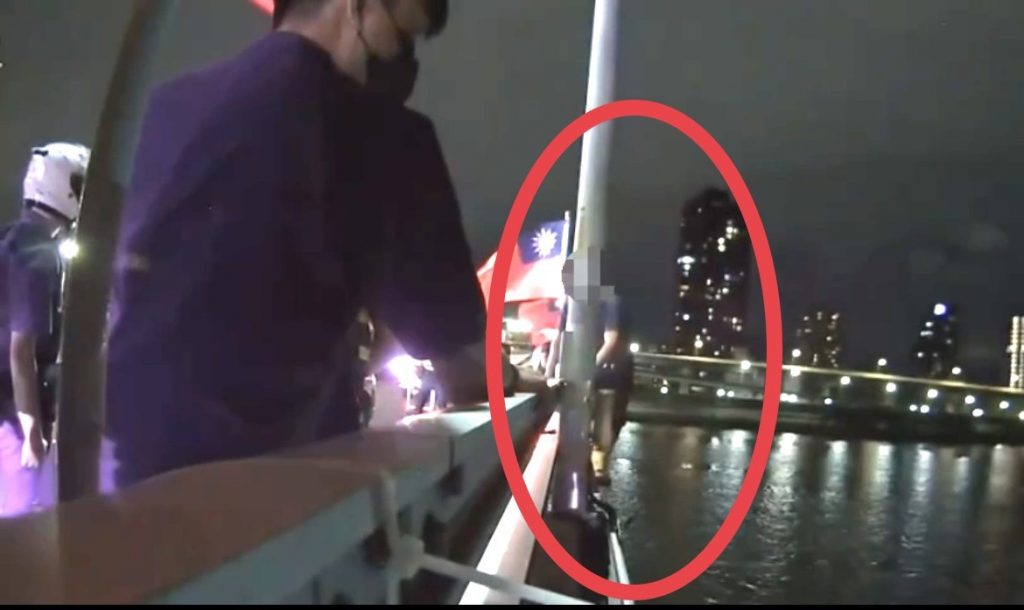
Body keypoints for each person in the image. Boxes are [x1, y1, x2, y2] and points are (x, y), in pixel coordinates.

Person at [104, 0, 541, 488]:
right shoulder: (387, 139)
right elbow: (462, 364)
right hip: (266, 492)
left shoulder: (166, 107)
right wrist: (514, 382)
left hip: (130, 483)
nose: (405, 59)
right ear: (354, 6)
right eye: (402, 35)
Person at [0, 142, 89, 516]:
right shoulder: (38, 251)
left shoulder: (11, 237)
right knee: (23, 524)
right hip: (10, 421)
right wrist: (32, 437)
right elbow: (21, 351)